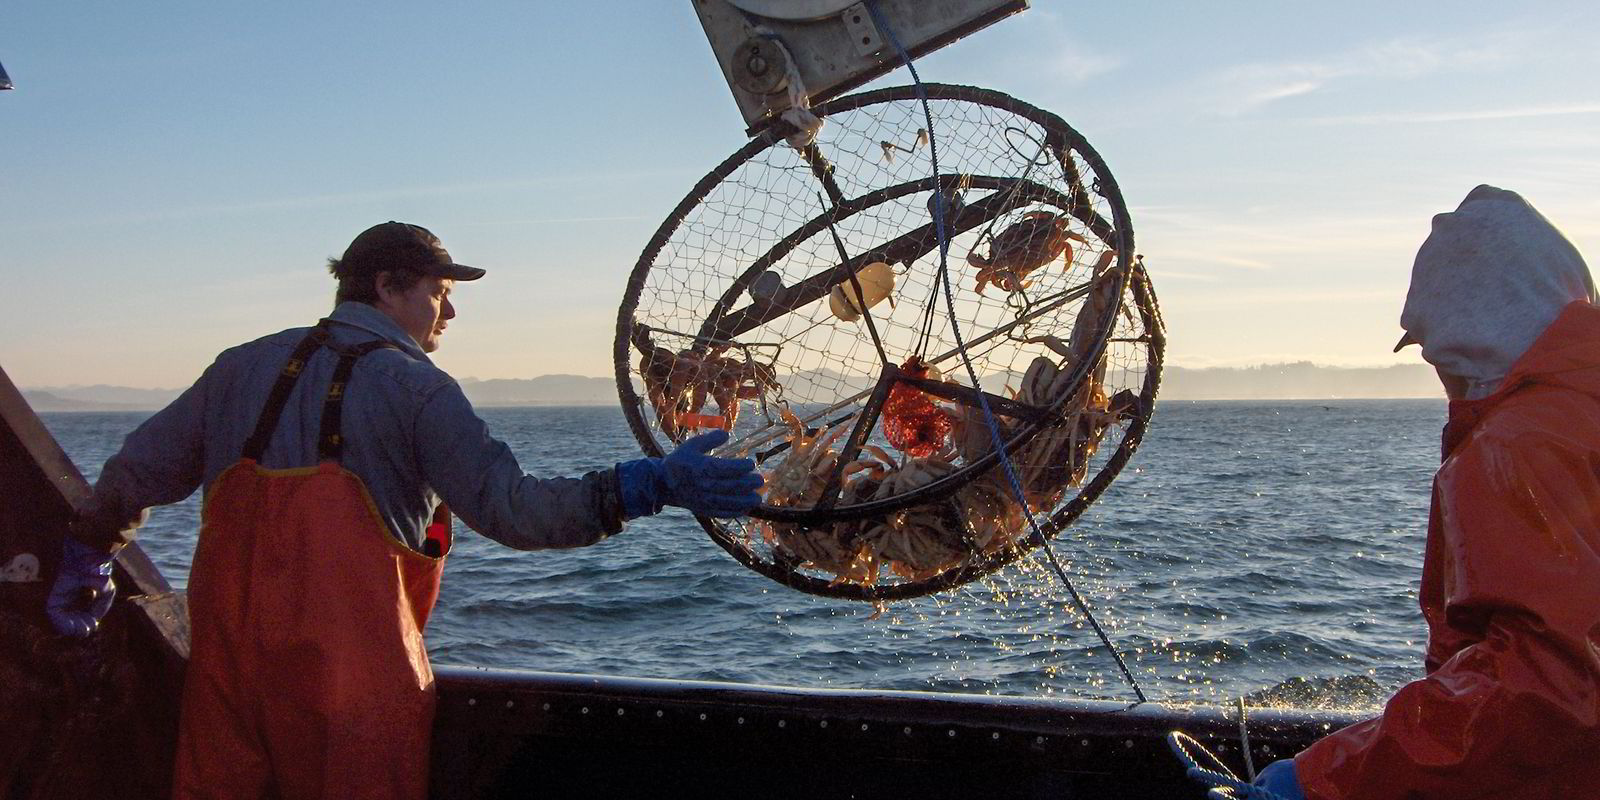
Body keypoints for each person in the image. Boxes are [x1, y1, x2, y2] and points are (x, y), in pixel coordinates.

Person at [44, 221, 764, 799]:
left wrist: (87, 552)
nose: (449, 311)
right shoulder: (417, 387)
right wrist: (644, 487)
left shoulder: (241, 365)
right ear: (389, 287)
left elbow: (135, 473)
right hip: (351, 698)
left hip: (227, 685)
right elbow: (514, 511)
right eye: (439, 291)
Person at [1245, 185, 1600, 799]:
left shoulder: (1517, 445)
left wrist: (1324, 780)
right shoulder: (1578, 412)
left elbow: (1546, 689)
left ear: (1465, 334)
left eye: (1433, 347)